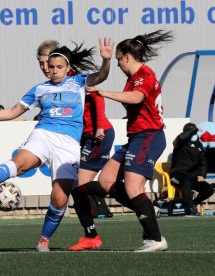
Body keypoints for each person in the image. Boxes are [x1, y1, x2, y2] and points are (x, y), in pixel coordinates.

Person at [0, 38, 114, 252]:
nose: (53, 71)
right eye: (50, 67)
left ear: (68, 67)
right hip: (43, 134)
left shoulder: (79, 81)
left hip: (68, 144)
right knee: (21, 162)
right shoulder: (40, 89)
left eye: (59, 67)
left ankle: (43, 239)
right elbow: (13, 112)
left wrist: (106, 60)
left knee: (59, 197)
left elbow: (102, 75)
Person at [76, 30, 174, 252]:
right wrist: (106, 60)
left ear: (127, 57)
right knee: (106, 180)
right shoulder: (133, 78)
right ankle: (147, 209)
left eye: (119, 60)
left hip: (149, 135)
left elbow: (137, 97)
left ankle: (155, 239)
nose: (119, 65)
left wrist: (104, 93)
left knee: (132, 186)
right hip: (137, 137)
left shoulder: (143, 76)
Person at [36, 39, 115, 251]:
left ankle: (125, 191)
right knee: (74, 186)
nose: (45, 68)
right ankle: (90, 234)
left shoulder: (73, 79)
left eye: (47, 62)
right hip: (81, 136)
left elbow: (97, 97)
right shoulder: (53, 84)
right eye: (41, 64)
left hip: (97, 134)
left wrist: (98, 125)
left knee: (77, 184)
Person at [170, 122, 215, 216]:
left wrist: (202, 175)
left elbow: (203, 162)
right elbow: (182, 137)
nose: (194, 135)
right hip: (177, 177)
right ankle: (191, 208)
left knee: (209, 189)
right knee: (185, 181)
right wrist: (194, 129)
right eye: (192, 132)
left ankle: (193, 203)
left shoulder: (198, 145)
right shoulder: (179, 142)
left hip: (192, 177)